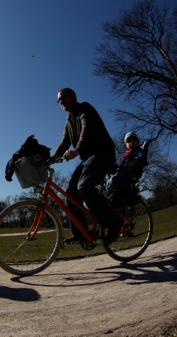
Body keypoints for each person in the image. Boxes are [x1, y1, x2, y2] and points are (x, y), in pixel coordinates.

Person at [51, 87, 123, 245]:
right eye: (59, 100)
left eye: (63, 98)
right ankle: (80, 233)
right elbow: (64, 142)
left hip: (102, 154)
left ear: (73, 96)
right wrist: (50, 160)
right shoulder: (68, 122)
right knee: (70, 191)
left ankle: (113, 223)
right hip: (88, 158)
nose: (61, 102)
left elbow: (87, 130)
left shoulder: (85, 108)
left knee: (84, 187)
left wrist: (77, 150)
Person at [107, 132, 147, 207]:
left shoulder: (139, 151)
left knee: (118, 177)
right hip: (125, 173)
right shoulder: (127, 155)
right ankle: (111, 196)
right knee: (111, 180)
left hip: (133, 172)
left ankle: (123, 197)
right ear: (126, 145)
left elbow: (141, 158)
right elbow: (121, 166)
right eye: (129, 141)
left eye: (134, 141)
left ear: (137, 142)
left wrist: (135, 160)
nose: (131, 143)